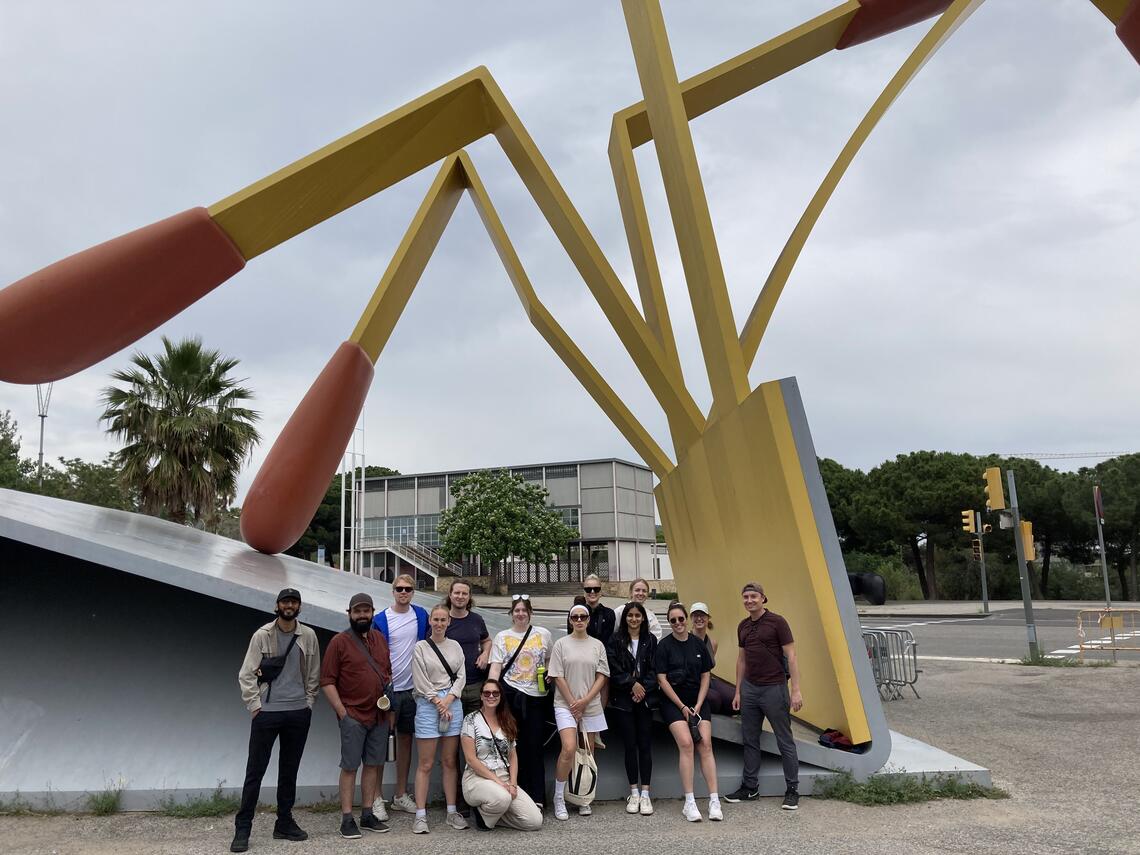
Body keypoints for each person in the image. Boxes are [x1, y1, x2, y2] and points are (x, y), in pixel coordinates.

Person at [232, 588, 320, 853]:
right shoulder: (263, 635)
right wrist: (255, 705)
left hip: (297, 712)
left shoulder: (308, 636)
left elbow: (314, 673)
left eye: (294, 602)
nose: (289, 606)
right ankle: (243, 827)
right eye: (285, 601)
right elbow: (246, 674)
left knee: (289, 770)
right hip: (267, 713)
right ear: (277, 605)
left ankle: (284, 822)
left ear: (299, 607)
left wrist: (309, 703)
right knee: (255, 771)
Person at [319, 592, 393, 839]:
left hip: (379, 716)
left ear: (372, 613)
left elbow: (387, 673)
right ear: (349, 613)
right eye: (357, 611)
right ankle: (347, 818)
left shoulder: (380, 640)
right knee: (350, 767)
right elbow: (327, 681)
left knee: (373, 765)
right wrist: (342, 713)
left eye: (366, 611)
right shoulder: (339, 642)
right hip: (352, 715)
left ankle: (368, 814)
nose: (362, 615)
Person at [726, 582, 803, 810]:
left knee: (784, 740)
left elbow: (792, 656)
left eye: (753, 596)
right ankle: (750, 788)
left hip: (774, 689)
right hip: (750, 689)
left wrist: (796, 690)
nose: (749, 600)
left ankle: (792, 790)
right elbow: (741, 660)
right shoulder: (742, 626)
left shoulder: (778, 622)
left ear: (763, 598)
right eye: (746, 597)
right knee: (750, 740)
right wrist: (738, 690)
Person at [655, 602, 722, 822]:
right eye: (673, 620)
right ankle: (690, 801)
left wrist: (699, 704)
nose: (677, 624)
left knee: (705, 744)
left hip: (698, 701)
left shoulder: (699, 644)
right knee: (686, 743)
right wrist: (682, 707)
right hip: (673, 702)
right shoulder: (664, 646)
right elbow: (661, 679)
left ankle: (714, 800)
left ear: (687, 620)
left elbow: (705, 676)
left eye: (681, 619)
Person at [488, 594, 554, 809]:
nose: (520, 614)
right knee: (511, 748)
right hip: (510, 697)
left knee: (534, 747)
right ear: (511, 614)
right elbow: (496, 667)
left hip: (535, 698)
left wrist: (550, 674)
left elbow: (549, 659)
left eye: (524, 610)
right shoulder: (502, 637)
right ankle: (514, 794)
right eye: (516, 610)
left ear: (530, 613)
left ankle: (537, 797)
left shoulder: (543, 634)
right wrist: (490, 692)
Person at [371, 574, 429, 818]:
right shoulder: (380, 619)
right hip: (387, 689)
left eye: (408, 589)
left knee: (405, 740)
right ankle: (375, 798)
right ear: (392, 591)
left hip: (411, 690)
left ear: (413, 592)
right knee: (380, 742)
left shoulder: (421, 615)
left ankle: (400, 794)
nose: (403, 592)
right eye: (399, 589)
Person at [550, 602, 610, 821]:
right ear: (569, 620)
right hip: (565, 704)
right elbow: (557, 675)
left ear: (588, 620)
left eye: (582, 617)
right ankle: (559, 797)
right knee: (569, 748)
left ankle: (584, 797)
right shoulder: (561, 644)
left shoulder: (597, 645)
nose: (578, 620)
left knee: (588, 751)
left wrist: (584, 701)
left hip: (590, 705)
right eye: (574, 617)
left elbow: (602, 675)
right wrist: (574, 703)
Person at [410, 604, 468, 833]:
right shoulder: (421, 647)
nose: (439, 623)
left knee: (449, 761)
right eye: (436, 619)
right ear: (430, 621)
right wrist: (438, 702)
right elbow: (420, 679)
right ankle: (421, 815)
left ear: (449, 622)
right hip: (428, 704)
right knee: (425, 763)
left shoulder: (455, 646)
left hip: (452, 703)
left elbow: (461, 676)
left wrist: (449, 699)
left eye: (443, 620)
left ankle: (452, 811)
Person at [460, 678, 543, 831]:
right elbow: (471, 760)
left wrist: (512, 783)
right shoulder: (470, 720)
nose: (491, 696)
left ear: (500, 696)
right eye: (487, 693)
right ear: (481, 696)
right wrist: (499, 783)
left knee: (534, 821)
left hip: (504, 778)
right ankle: (484, 815)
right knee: (503, 797)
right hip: (478, 778)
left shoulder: (507, 720)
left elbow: (513, 756)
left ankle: (493, 815)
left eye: (495, 693)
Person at [605, 600, 658, 816]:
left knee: (645, 745)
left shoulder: (651, 640)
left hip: (644, 700)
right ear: (624, 618)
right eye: (630, 616)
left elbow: (656, 669)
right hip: (624, 701)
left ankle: (645, 794)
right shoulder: (616, 640)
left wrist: (642, 688)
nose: (634, 619)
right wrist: (631, 684)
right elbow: (612, 668)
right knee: (630, 745)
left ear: (643, 618)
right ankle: (633, 792)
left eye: (637, 615)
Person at [444, 579, 491, 715]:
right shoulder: (442, 620)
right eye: (457, 592)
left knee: (473, 729)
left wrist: (485, 653)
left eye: (464, 593)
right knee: (451, 731)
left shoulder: (476, 619)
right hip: (450, 686)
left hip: (475, 685)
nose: (460, 596)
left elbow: (487, 640)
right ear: (450, 594)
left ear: (469, 597)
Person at [688, 602, 737, 715]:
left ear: (708, 618)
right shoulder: (686, 639)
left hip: (708, 679)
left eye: (703, 615)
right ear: (691, 618)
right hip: (692, 683)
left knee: (735, 698)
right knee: (715, 699)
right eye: (696, 615)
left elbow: (708, 667)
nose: (699, 618)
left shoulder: (713, 643)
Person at [566, 573, 615, 643]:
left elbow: (609, 641)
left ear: (600, 592)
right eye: (588, 589)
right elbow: (571, 638)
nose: (592, 592)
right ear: (584, 592)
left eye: (596, 589)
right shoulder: (575, 613)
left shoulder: (609, 614)